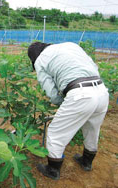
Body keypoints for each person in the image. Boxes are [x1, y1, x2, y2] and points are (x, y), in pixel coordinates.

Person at [27, 42, 109, 180]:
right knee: (92, 129)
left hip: (80, 94)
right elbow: (93, 66)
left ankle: (53, 170)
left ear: (35, 57)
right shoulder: (71, 45)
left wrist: (63, 103)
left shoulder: (41, 60)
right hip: (101, 91)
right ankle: (86, 162)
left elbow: (51, 92)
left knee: (55, 132)